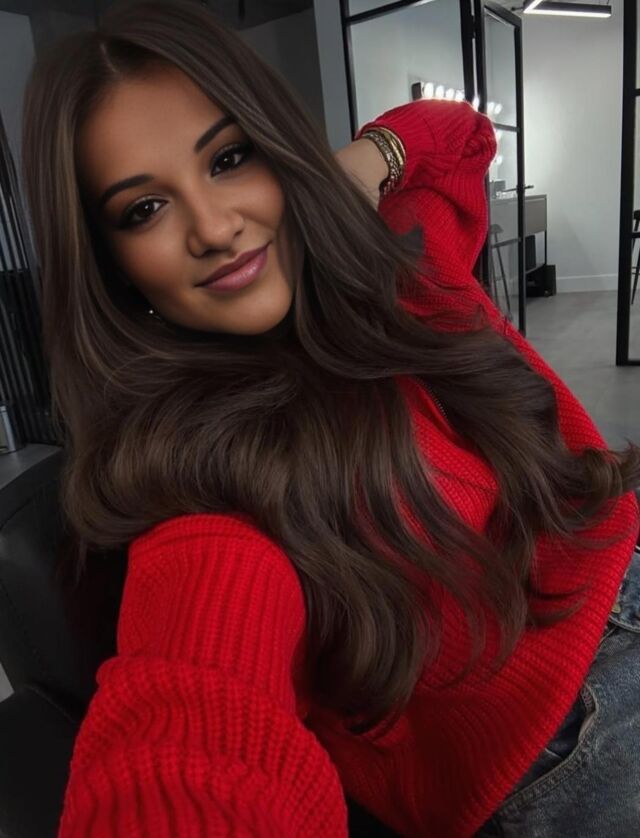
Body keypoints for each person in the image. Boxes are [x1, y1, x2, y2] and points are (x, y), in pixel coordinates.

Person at [20, 0, 640, 835]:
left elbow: (459, 132)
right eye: (145, 210)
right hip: (583, 736)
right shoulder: (205, 485)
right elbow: (191, 720)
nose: (215, 228)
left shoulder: (400, 273)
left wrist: (349, 173)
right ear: (112, 267)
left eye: (229, 158)